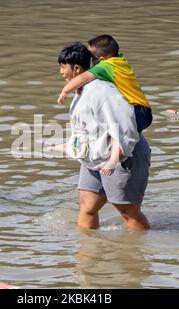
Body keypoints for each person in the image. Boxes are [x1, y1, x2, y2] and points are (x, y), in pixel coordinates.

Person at [50, 42, 151, 231]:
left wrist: (115, 159)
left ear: (77, 68)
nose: (61, 72)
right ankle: (86, 256)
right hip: (94, 159)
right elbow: (87, 129)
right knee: (87, 207)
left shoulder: (101, 91)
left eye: (63, 67)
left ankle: (136, 256)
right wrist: (69, 145)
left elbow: (126, 128)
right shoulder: (82, 90)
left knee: (128, 212)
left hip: (123, 155)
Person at [57, 34, 153, 134]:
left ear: (101, 58)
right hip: (144, 109)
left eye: (92, 56)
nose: (90, 59)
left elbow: (84, 77)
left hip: (139, 113)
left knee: (113, 132)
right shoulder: (119, 61)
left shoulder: (105, 66)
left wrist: (65, 91)